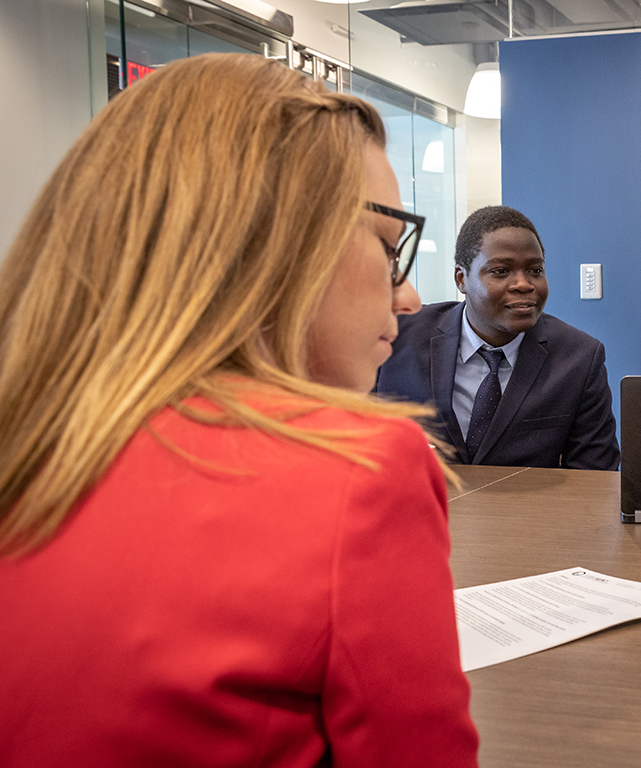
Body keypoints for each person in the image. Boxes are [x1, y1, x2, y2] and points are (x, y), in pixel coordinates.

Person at [0, 54, 478, 766]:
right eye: (387, 245)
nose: (408, 298)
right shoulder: (359, 472)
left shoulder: (32, 443)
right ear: (274, 242)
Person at [376, 206, 620, 470]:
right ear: (461, 279)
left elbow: (595, 474)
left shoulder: (579, 358)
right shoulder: (396, 336)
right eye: (501, 271)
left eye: (535, 270)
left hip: (528, 508)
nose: (524, 284)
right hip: (413, 505)